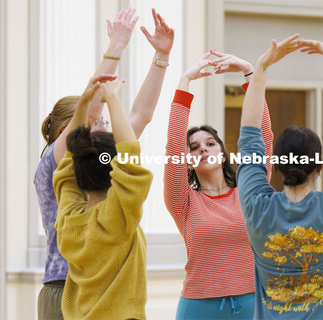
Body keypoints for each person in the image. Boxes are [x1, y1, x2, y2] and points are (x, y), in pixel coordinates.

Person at [34, 7, 174, 319]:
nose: (102, 127)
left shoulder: (97, 158)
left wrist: (161, 59)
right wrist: (115, 49)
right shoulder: (56, 160)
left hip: (96, 286)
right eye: (94, 124)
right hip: (66, 285)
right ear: (64, 133)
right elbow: (115, 139)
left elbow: (141, 115)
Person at [237, 34, 323, 319]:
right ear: (319, 167)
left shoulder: (257, 207)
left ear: (274, 165)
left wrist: (262, 67)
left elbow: (250, 138)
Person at [163, 49, 273, 319]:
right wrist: (185, 80)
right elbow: (173, 149)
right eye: (195, 147)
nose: (203, 149)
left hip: (252, 303)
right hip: (198, 307)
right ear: (187, 160)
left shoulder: (249, 193)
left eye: (210, 144)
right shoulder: (183, 202)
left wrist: (250, 73)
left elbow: (265, 139)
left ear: (222, 153)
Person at [53, 76, 152, 319]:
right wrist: (112, 99)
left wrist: (85, 103)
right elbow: (129, 155)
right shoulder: (117, 217)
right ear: (113, 169)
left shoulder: (68, 221)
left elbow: (66, 166)